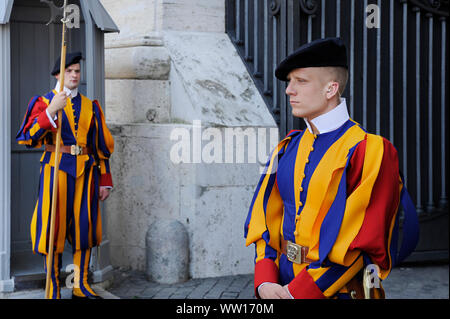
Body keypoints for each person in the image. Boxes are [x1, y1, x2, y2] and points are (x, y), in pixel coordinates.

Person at [244, 38, 419, 299]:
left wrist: (298, 293)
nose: (289, 90)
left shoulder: (370, 151)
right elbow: (263, 220)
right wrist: (266, 280)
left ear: (331, 89)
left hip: (338, 292)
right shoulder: (285, 148)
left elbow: (362, 242)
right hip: (279, 286)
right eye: (289, 82)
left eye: (301, 81)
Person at [16, 52, 114, 299]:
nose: (74, 75)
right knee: (52, 227)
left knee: (85, 227)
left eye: (77, 71)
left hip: (85, 171)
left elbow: (101, 147)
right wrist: (49, 113)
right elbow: (28, 137)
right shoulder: (43, 102)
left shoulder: (91, 107)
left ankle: (80, 285)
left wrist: (105, 181)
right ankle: (54, 287)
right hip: (55, 170)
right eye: (69, 70)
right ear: (58, 74)